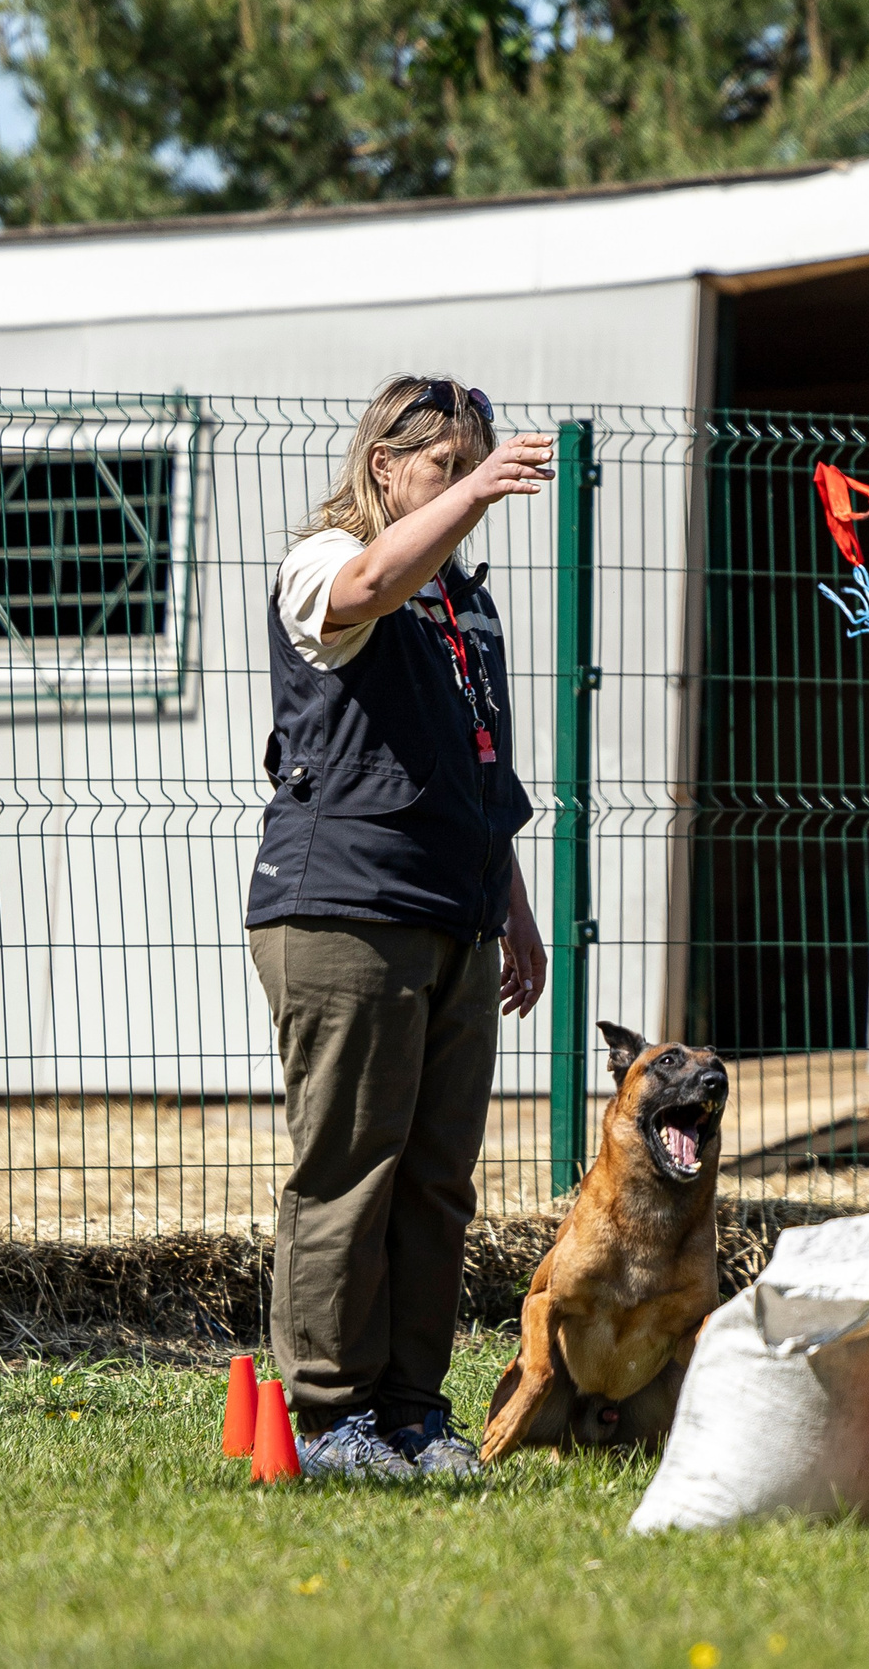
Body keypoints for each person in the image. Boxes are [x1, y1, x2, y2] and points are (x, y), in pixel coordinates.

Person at [247, 375, 555, 1480]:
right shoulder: (325, 563)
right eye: (444, 465)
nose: (467, 487)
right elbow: (374, 580)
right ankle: (332, 1417)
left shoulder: (466, 601)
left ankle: (415, 1411)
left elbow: (477, 760)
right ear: (386, 465)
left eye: (476, 464)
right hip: (344, 907)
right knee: (350, 1169)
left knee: (436, 1176)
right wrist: (475, 495)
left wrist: (511, 907)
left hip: (456, 911)